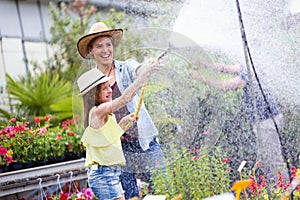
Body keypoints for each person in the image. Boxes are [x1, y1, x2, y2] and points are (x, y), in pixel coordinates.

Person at [77, 22, 166, 199]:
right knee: (130, 195)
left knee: (163, 189)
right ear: (91, 51)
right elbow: (90, 118)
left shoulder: (125, 67)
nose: (105, 50)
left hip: (144, 142)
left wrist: (146, 68)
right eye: (99, 46)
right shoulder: (90, 82)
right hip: (118, 151)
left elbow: (138, 69)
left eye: (108, 44)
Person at [191, 63, 289, 183]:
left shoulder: (252, 68)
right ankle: (278, 188)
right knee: (267, 159)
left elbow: (225, 86)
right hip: (265, 120)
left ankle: (282, 190)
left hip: (266, 122)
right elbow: (228, 68)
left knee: (272, 160)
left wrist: (200, 78)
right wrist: (205, 64)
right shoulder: (251, 64)